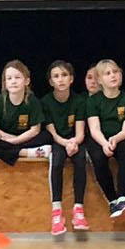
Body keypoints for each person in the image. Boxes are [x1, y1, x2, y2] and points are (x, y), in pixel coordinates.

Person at [40, 60, 93, 236]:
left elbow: (80, 132)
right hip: (58, 141)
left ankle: (78, 210)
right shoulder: (45, 102)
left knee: (80, 160)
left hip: (75, 141)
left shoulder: (79, 101)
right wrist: (66, 143)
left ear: (71, 79)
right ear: (50, 81)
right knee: (56, 162)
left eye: (64, 75)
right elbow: (53, 134)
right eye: (56, 76)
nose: (60, 79)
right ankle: (56, 212)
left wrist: (74, 143)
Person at [85, 59, 125, 219]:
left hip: (120, 137)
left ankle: (123, 198)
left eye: (115, 72)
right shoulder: (93, 101)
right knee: (97, 156)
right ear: (100, 80)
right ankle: (112, 201)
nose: (112, 76)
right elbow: (94, 128)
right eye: (107, 73)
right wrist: (104, 143)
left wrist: (115, 139)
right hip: (100, 139)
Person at [0, 61, 50, 164]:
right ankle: (25, 152)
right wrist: (8, 137)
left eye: (17, 77)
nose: (13, 81)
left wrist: (13, 141)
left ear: (27, 81)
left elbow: (35, 130)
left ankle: (1, 151)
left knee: (46, 136)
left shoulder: (32, 100)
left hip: (25, 139)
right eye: (9, 78)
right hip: (5, 138)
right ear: (5, 83)